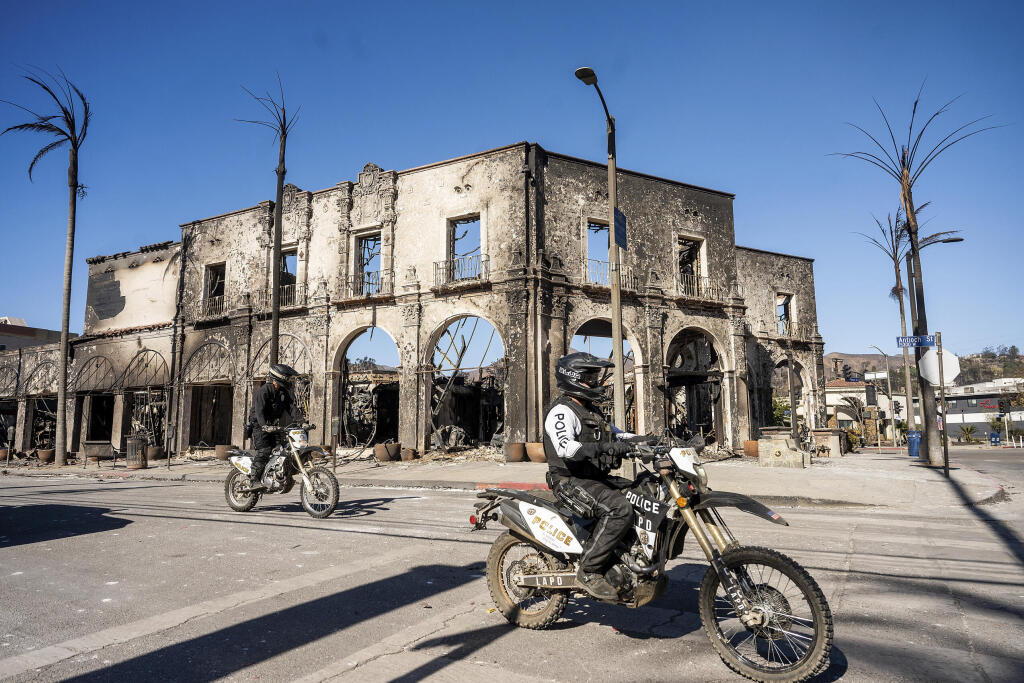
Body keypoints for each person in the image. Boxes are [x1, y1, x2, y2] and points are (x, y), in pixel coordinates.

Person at [543, 352, 636, 601]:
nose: (596, 383)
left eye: (595, 377)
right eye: (590, 378)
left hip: (593, 478)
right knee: (620, 509)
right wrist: (605, 448)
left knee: (642, 493)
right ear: (574, 379)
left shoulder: (591, 411)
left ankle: (623, 557)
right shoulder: (562, 412)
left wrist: (650, 441)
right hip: (570, 481)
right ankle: (589, 570)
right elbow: (566, 447)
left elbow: (619, 435)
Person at [249, 363, 301, 485]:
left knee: (282, 450)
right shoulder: (264, 390)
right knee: (265, 451)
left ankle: (277, 475)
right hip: (260, 426)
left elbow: (291, 408)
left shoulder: (283, 392)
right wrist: (264, 426)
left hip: (273, 427)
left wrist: (302, 422)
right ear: (280, 377)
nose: (289, 380)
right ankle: (254, 479)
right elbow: (259, 411)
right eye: (288, 378)